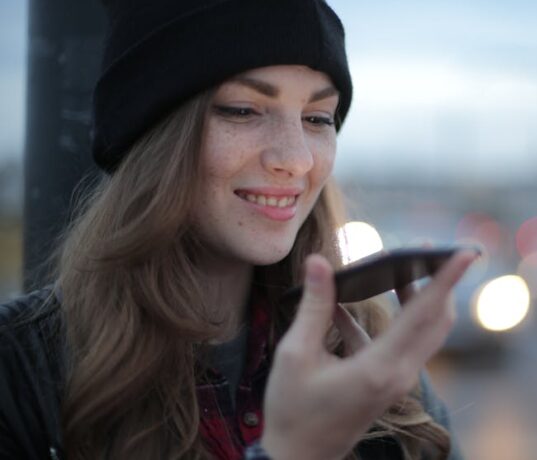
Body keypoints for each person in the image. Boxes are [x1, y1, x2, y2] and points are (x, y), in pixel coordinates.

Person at [0, 1, 477, 459]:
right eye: (243, 110)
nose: (296, 159)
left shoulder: (367, 358)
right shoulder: (18, 369)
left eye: (317, 118)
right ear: (152, 135)